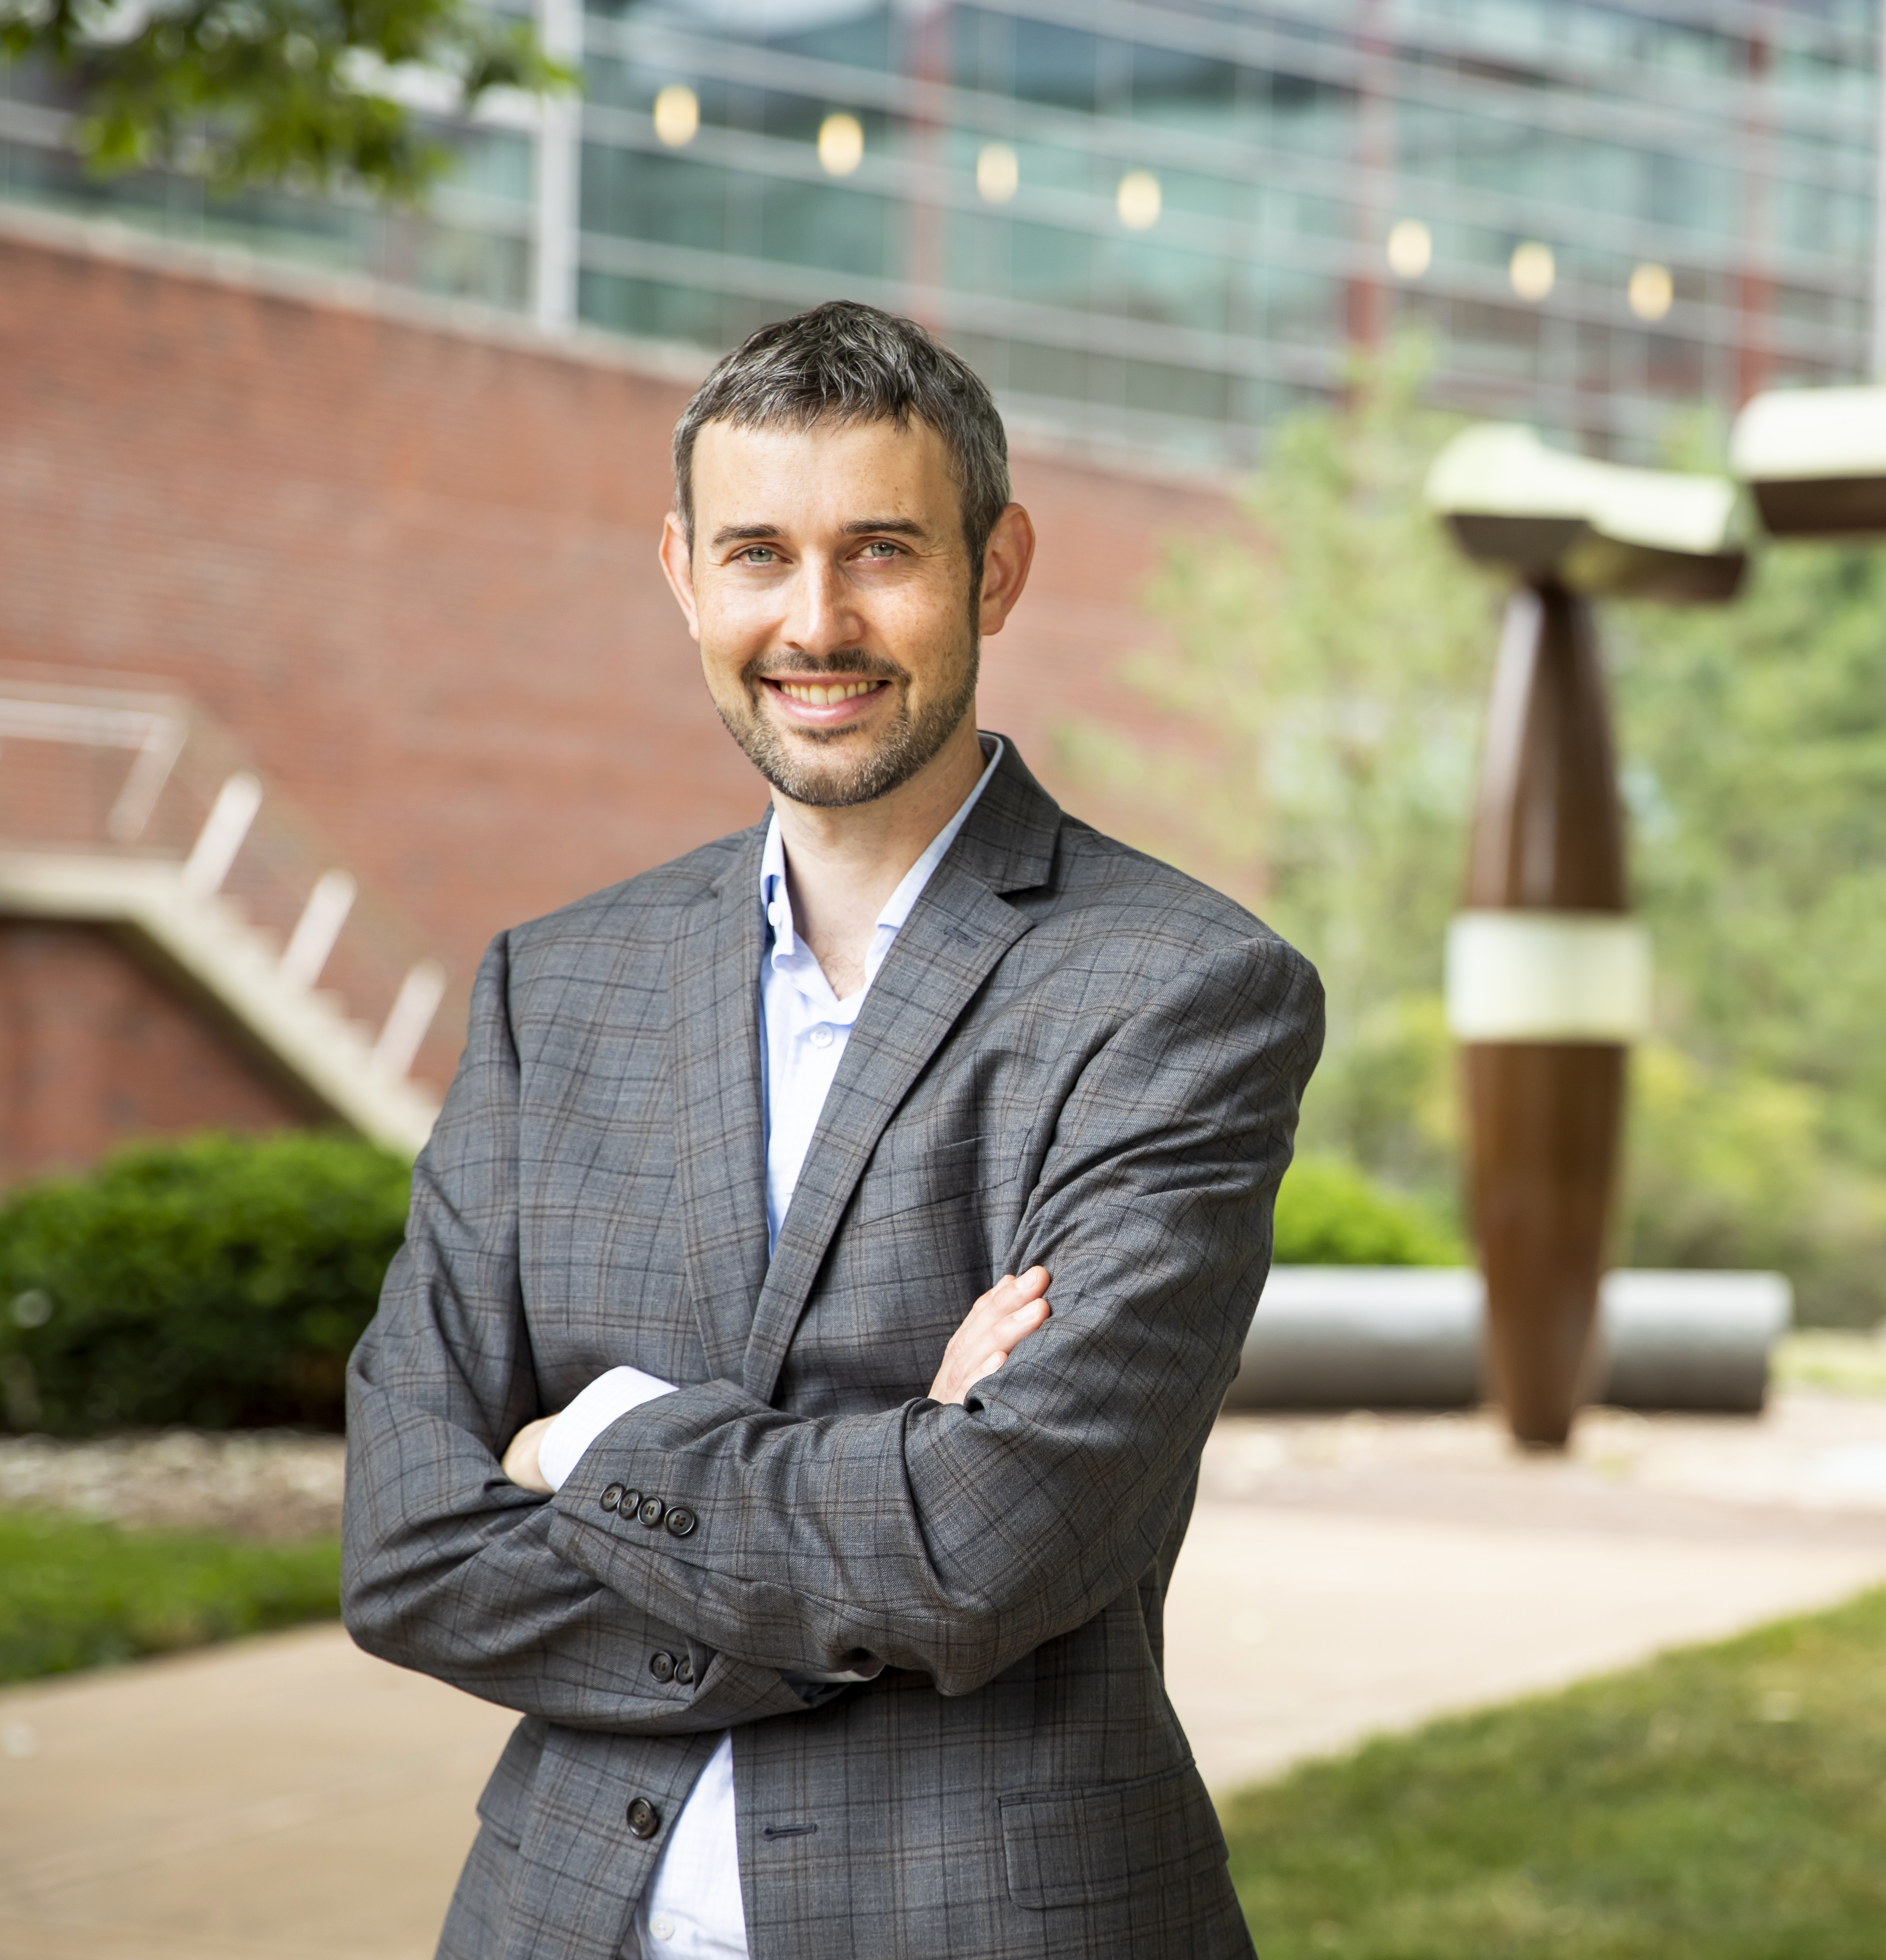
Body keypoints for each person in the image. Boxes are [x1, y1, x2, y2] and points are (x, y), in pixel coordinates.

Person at [341, 299, 1323, 1960]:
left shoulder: (1182, 993)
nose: (816, 622)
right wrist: (876, 1510)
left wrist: (589, 1447)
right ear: (680, 573)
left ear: (996, 570)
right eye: (758, 556)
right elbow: (411, 1544)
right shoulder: (555, 987)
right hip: (563, 1918)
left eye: (881, 551)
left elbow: (981, 1549)